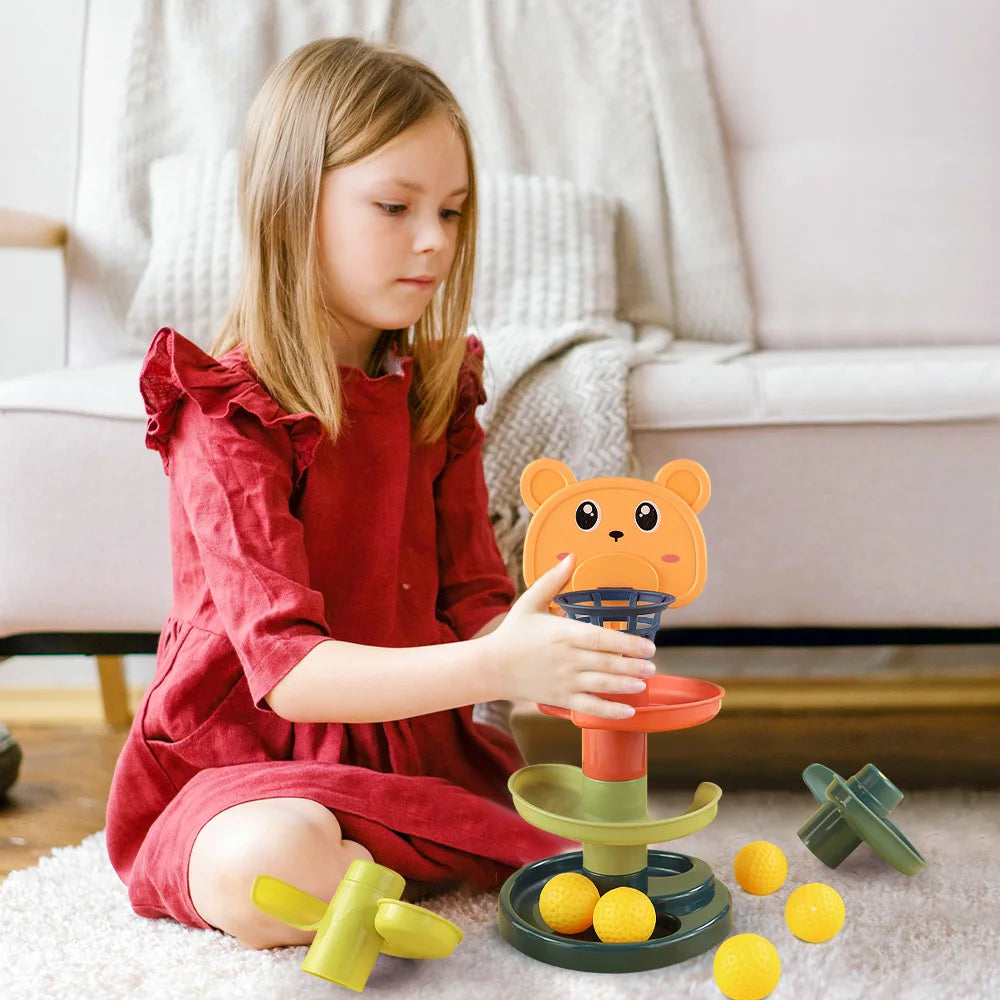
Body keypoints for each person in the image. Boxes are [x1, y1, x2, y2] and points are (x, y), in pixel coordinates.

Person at [105, 36, 656, 950]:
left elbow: (473, 594)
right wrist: (495, 667)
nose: (434, 239)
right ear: (292, 208)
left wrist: (557, 659)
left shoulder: (436, 392)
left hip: (414, 750)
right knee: (263, 859)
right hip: (242, 762)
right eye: (395, 207)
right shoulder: (226, 412)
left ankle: (365, 888)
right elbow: (287, 675)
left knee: (585, 848)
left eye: (452, 210)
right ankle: (361, 884)